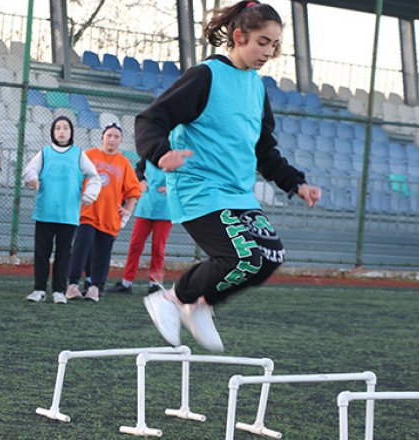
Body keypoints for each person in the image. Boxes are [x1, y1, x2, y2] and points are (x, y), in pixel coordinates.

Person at [135, 0, 321, 351]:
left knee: (270, 257)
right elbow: (150, 119)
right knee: (244, 256)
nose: (268, 51)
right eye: (262, 42)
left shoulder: (256, 88)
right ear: (238, 36)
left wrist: (296, 183)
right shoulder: (206, 76)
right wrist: (161, 155)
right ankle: (171, 299)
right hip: (199, 188)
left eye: (274, 45)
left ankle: (201, 304)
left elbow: (263, 150)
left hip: (237, 193)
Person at [22, 116, 101, 304]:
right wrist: (33, 178)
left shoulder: (79, 154)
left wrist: (90, 195)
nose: (62, 131)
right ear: (53, 131)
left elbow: (94, 176)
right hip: (45, 212)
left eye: (65, 127)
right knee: (41, 253)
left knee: (63, 254)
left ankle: (59, 290)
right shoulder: (44, 153)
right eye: (58, 128)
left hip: (68, 214)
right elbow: (29, 171)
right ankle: (39, 289)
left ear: (71, 132)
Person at [65, 122, 140, 303]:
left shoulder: (124, 163)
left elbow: (134, 191)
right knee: (81, 246)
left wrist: (127, 210)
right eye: (109, 136)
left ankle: (95, 287)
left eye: (116, 137)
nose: (112, 140)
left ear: (121, 140)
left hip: (109, 216)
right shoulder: (88, 156)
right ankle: (72, 284)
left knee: (102, 252)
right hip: (87, 212)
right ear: (102, 137)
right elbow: (73, 179)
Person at [104, 158, 172, 295]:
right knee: (135, 245)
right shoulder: (149, 154)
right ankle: (126, 282)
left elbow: (187, 176)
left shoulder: (176, 155)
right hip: (145, 206)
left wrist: (171, 186)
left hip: (165, 209)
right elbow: (138, 169)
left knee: (158, 248)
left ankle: (155, 284)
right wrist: (140, 180)